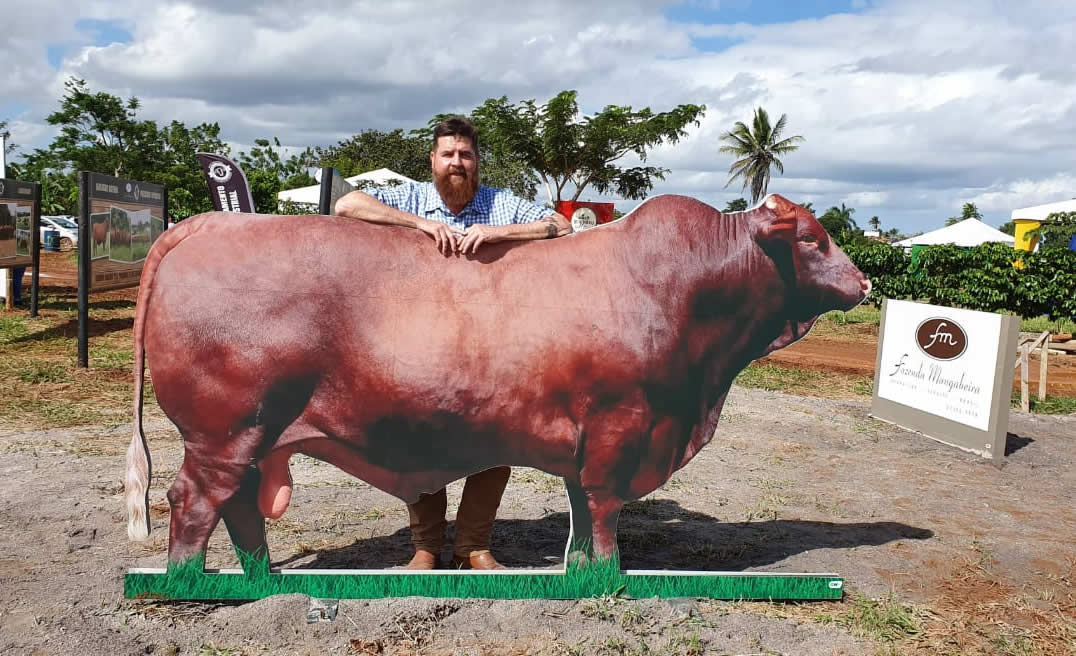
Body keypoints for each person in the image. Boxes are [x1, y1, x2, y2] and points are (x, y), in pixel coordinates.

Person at [333, 116, 572, 570]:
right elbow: (347, 205)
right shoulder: (412, 197)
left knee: (495, 444)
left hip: (493, 349)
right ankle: (425, 548)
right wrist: (418, 225)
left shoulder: (501, 204)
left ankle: (473, 548)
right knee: (421, 441)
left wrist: (499, 234)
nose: (456, 163)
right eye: (448, 154)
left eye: (465, 154)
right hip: (419, 346)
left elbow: (560, 226)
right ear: (433, 160)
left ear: (477, 161)